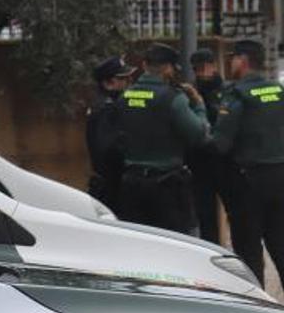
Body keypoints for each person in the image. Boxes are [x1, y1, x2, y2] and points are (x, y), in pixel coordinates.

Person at [212, 39, 284, 313]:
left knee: (249, 246)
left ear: (243, 61)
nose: (230, 63)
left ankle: (258, 307)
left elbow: (220, 144)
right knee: (279, 243)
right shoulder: (279, 91)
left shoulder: (237, 95)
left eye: (233, 58)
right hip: (280, 177)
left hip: (249, 181)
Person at [115, 43, 209, 233]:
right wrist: (199, 105)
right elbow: (199, 134)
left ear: (144, 65)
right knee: (179, 244)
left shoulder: (125, 96)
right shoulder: (173, 98)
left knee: (141, 244)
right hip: (167, 187)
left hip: (132, 185)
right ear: (167, 68)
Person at [85, 55, 137, 214]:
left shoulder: (111, 105)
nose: (129, 83)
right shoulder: (106, 109)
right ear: (108, 83)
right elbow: (108, 150)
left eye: (129, 78)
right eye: (123, 79)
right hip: (113, 188)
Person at [186, 48, 226, 243]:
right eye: (197, 69)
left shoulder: (227, 91)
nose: (202, 73)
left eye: (205, 67)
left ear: (214, 66)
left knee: (236, 211)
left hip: (225, 159)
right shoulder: (191, 93)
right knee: (205, 214)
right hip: (200, 161)